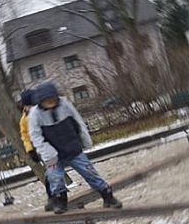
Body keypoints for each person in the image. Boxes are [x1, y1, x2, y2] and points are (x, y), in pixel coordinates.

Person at [28, 81, 122, 214]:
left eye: (52, 100)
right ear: (40, 102)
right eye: (46, 102)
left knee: (89, 171)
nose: (50, 104)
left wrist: (85, 139)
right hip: (51, 153)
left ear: (56, 97)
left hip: (72, 147)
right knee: (54, 176)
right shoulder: (35, 114)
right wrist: (46, 151)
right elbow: (35, 136)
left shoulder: (65, 105)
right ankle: (60, 200)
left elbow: (78, 121)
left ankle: (107, 196)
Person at [19, 89, 54, 211]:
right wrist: (30, 150)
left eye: (32, 105)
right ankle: (53, 197)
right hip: (42, 148)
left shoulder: (42, 111)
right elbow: (25, 135)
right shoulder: (24, 119)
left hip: (52, 144)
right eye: (28, 106)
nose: (30, 108)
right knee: (51, 173)